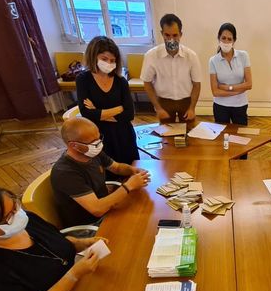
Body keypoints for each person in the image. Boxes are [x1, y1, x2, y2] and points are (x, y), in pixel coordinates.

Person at [51, 118, 150, 228]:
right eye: (92, 142)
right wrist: (128, 186)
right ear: (74, 145)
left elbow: (116, 167)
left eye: (99, 138)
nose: (98, 144)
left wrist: (132, 170)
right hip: (91, 224)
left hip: (107, 209)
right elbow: (97, 209)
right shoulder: (65, 173)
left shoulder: (92, 153)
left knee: (145, 214)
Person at [76, 36, 139, 165]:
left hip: (123, 134)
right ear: (94, 56)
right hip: (99, 136)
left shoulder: (120, 81)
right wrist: (119, 108)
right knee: (107, 175)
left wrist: (98, 112)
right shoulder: (83, 79)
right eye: (104, 59)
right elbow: (87, 114)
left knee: (130, 170)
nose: (108, 63)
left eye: (112, 60)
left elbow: (129, 114)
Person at [141, 14, 201, 123]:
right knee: (166, 136)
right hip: (164, 102)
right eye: (167, 35)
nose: (171, 39)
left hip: (186, 101)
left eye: (175, 35)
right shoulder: (151, 56)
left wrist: (192, 108)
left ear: (181, 34)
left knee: (189, 132)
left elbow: (197, 84)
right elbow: (147, 83)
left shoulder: (191, 56)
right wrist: (158, 108)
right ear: (162, 34)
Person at [209, 22, 252, 125]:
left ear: (234, 41)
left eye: (229, 39)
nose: (226, 42)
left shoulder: (243, 56)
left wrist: (227, 87)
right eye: (223, 38)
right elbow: (215, 91)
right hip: (220, 106)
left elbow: (249, 84)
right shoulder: (213, 60)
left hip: (240, 105)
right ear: (219, 38)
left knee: (241, 136)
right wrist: (237, 91)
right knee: (221, 137)